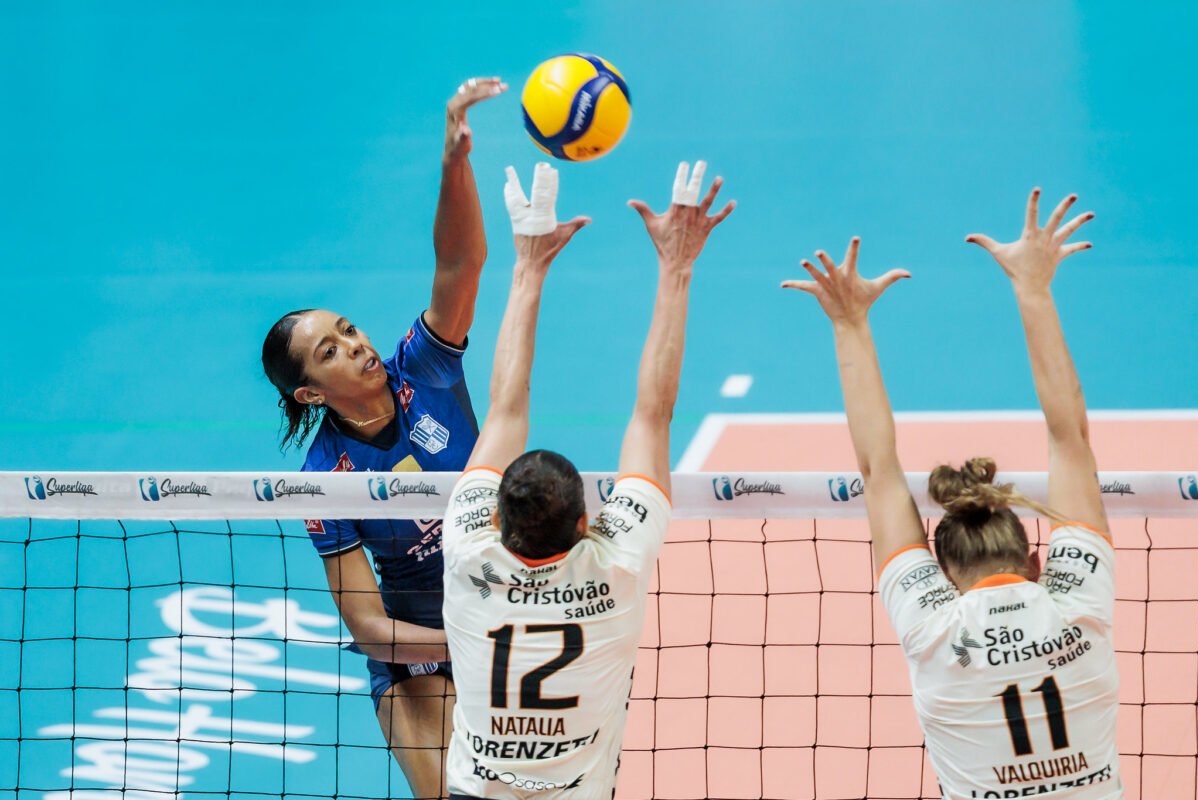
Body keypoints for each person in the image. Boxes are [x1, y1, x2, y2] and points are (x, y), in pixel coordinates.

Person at [783, 189, 1120, 798]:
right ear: (1037, 562)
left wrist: (849, 323)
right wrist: (1035, 289)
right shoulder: (1079, 607)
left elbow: (877, 469)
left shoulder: (933, 630)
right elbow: (1071, 438)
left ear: (942, 570)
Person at [440, 160, 733, 799]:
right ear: (583, 524)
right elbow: (652, 417)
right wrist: (677, 268)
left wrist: (527, 267)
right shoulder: (618, 564)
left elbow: (504, 410)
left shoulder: (466, 549)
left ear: (495, 518)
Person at [260, 77, 505, 800]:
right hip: (418, 652)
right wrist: (462, 644)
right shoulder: (325, 476)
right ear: (309, 392)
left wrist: (454, 161)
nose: (355, 346)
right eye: (330, 352)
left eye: (348, 330)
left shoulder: (423, 368)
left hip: (502, 605)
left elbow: (460, 265)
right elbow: (368, 626)